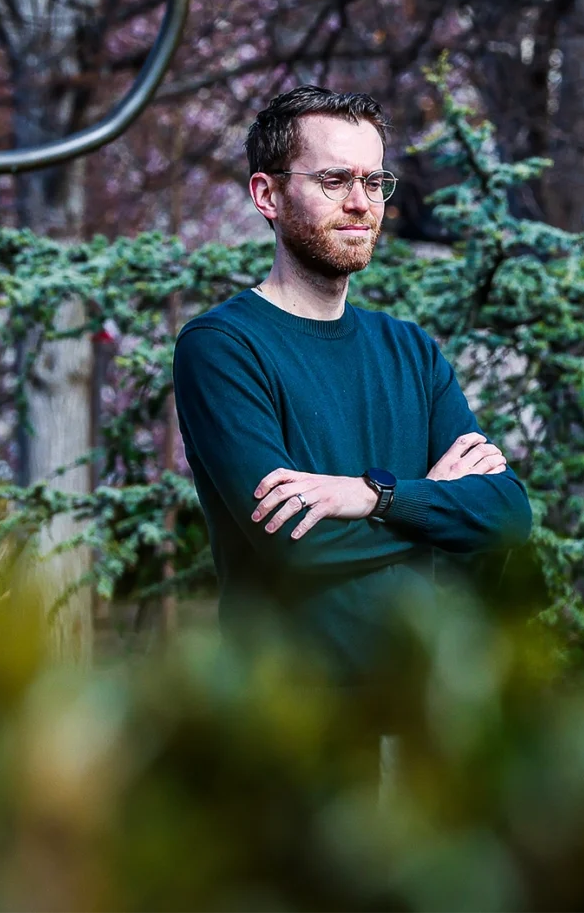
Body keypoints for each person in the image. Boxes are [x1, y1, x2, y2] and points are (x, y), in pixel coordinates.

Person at [172, 85, 532, 677]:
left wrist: (372, 495)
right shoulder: (222, 347)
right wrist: (431, 501)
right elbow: (295, 540)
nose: (362, 203)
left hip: (418, 702)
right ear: (268, 194)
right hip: (289, 718)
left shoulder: (410, 351)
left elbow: (508, 513)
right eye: (334, 181)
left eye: (374, 182)